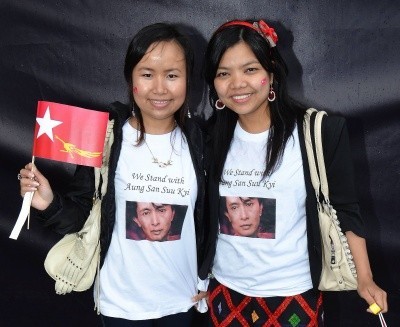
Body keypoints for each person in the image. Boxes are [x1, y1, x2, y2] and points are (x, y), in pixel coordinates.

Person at [19, 23, 208, 326]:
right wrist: (49, 203)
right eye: (147, 74)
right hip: (120, 306)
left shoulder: (201, 143)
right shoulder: (106, 137)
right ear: (130, 78)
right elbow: (82, 216)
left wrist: (207, 277)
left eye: (172, 75)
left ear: (188, 81)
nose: (159, 88)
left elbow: (213, 219)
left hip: (182, 303)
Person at [202, 19, 388, 326]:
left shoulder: (318, 132)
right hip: (226, 291)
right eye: (224, 73)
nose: (237, 83)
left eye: (250, 69)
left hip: (293, 293)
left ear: (271, 72)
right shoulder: (208, 139)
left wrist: (365, 279)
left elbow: (346, 210)